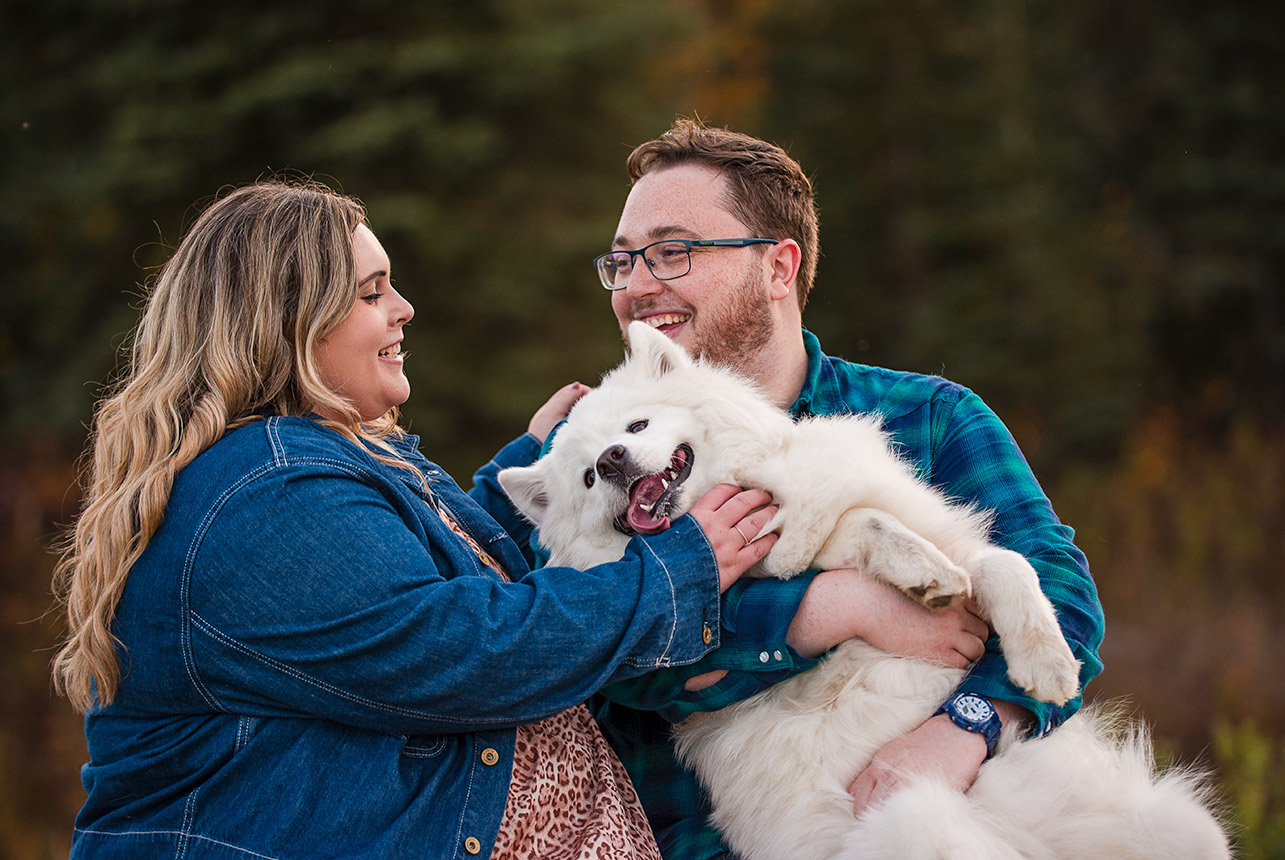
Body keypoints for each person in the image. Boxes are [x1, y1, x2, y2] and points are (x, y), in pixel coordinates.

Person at [50, 179, 785, 860]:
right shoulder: (266, 488)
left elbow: (408, 582)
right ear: (286, 322)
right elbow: (462, 651)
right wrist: (674, 575)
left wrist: (545, 473)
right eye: (372, 293)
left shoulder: (336, 456)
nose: (403, 308)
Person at [570, 119, 1105, 860]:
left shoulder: (927, 419)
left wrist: (965, 729)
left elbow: (1060, 596)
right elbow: (609, 656)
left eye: (671, 252)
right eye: (622, 262)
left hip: (995, 815)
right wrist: (826, 610)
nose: (634, 285)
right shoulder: (602, 460)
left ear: (779, 268)